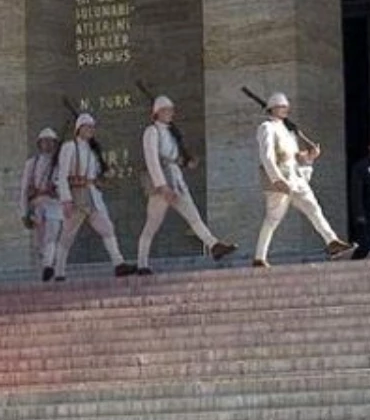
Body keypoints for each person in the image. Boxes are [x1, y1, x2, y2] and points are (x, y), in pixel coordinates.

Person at [253, 92, 356, 267]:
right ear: (273, 108)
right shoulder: (266, 127)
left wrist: (310, 155)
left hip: (296, 177)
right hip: (282, 178)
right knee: (273, 218)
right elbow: (267, 156)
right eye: (282, 106)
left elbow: (296, 157)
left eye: (286, 106)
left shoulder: (287, 131)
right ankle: (259, 257)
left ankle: (332, 242)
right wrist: (276, 179)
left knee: (313, 208)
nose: (286, 109)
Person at [136, 95, 238, 273]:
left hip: (176, 179)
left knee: (193, 217)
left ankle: (213, 245)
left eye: (171, 110)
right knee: (151, 225)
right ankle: (142, 263)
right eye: (166, 110)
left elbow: (173, 158)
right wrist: (162, 186)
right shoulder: (151, 131)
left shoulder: (170, 132)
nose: (170, 113)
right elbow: (152, 159)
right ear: (157, 113)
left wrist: (186, 162)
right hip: (162, 183)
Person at [53, 113, 132, 279]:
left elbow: (94, 176)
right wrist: (66, 199)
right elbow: (61, 175)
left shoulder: (91, 151)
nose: (90, 129)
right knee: (68, 234)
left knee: (107, 228)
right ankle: (59, 271)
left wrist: (103, 178)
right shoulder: (69, 147)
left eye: (92, 127)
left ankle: (119, 263)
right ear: (78, 129)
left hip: (92, 195)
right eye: (86, 126)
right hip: (76, 195)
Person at [19, 127, 65, 282]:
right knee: (40, 244)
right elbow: (25, 189)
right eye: (44, 142)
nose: (47, 145)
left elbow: (63, 184)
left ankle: (49, 268)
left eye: (51, 142)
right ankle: (46, 270)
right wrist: (24, 213)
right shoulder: (32, 163)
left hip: (54, 205)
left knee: (52, 238)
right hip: (38, 205)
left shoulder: (60, 163)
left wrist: (55, 188)